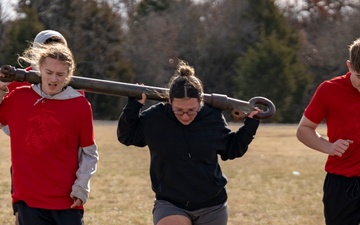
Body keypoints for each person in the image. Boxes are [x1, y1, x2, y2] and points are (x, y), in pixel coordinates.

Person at [117, 59, 262, 225]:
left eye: (191, 110)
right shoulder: (155, 118)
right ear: (169, 101)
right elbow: (126, 136)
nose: (185, 116)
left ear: (200, 102)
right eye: (179, 110)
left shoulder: (212, 117)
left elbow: (232, 149)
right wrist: (133, 107)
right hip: (171, 203)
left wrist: (251, 125)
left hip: (212, 204)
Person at [0, 42, 98, 224]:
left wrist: (81, 187)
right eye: (49, 72)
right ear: (39, 70)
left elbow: (89, 153)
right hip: (28, 201)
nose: (54, 79)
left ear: (69, 75)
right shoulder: (18, 97)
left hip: (67, 201)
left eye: (60, 74)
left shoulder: (80, 106)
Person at [0, 29, 71, 225]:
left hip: (60, 167)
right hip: (26, 166)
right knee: (23, 216)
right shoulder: (20, 79)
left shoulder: (69, 82)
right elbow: (5, 120)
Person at [296, 38, 360, 225]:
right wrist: (329, 147)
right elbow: (304, 130)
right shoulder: (329, 90)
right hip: (342, 185)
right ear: (349, 66)